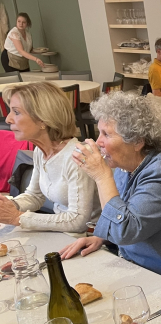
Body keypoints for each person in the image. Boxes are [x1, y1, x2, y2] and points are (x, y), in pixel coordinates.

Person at [59, 92, 161, 298]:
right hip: (146, 269)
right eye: (99, 132)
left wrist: (102, 176)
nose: (98, 141)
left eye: (107, 134)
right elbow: (126, 215)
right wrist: (101, 237)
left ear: (137, 141)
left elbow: (126, 230)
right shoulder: (124, 167)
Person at [0, 82, 100, 232]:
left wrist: (18, 217)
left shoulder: (78, 156)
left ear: (43, 120)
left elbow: (78, 220)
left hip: (90, 239)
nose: (8, 119)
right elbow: (35, 196)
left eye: (16, 112)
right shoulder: (41, 151)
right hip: (62, 233)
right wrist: (9, 205)